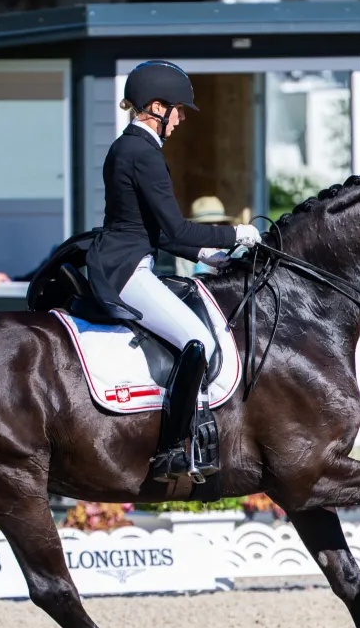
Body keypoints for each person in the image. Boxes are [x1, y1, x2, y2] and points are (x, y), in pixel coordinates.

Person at [91, 60, 259, 482]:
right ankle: (170, 450)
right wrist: (235, 233)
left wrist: (209, 254)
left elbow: (161, 234)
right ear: (156, 107)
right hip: (125, 270)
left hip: (131, 258)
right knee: (198, 340)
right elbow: (174, 227)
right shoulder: (141, 152)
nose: (181, 119)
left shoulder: (132, 148)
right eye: (178, 110)